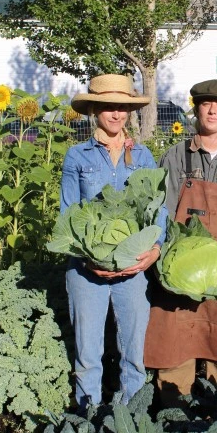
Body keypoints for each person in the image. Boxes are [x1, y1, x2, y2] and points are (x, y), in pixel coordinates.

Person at [144, 78, 217, 407]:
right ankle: (173, 422)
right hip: (177, 277)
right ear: (196, 109)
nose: (212, 110)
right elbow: (162, 214)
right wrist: (167, 265)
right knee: (173, 353)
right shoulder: (175, 156)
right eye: (206, 104)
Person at [61, 74, 167, 411]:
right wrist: (88, 259)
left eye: (122, 107)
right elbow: (67, 215)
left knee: (134, 353)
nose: (116, 114)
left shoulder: (144, 156)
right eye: (108, 107)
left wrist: (155, 249)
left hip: (134, 268)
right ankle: (87, 422)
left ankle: (131, 421)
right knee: (88, 355)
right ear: (94, 110)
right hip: (85, 271)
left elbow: (157, 209)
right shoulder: (77, 157)